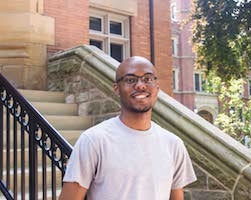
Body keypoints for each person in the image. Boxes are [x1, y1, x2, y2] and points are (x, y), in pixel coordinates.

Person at [59, 56, 197, 200]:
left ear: (157, 88)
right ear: (117, 89)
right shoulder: (94, 140)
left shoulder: (174, 144)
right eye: (130, 80)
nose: (140, 85)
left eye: (148, 79)